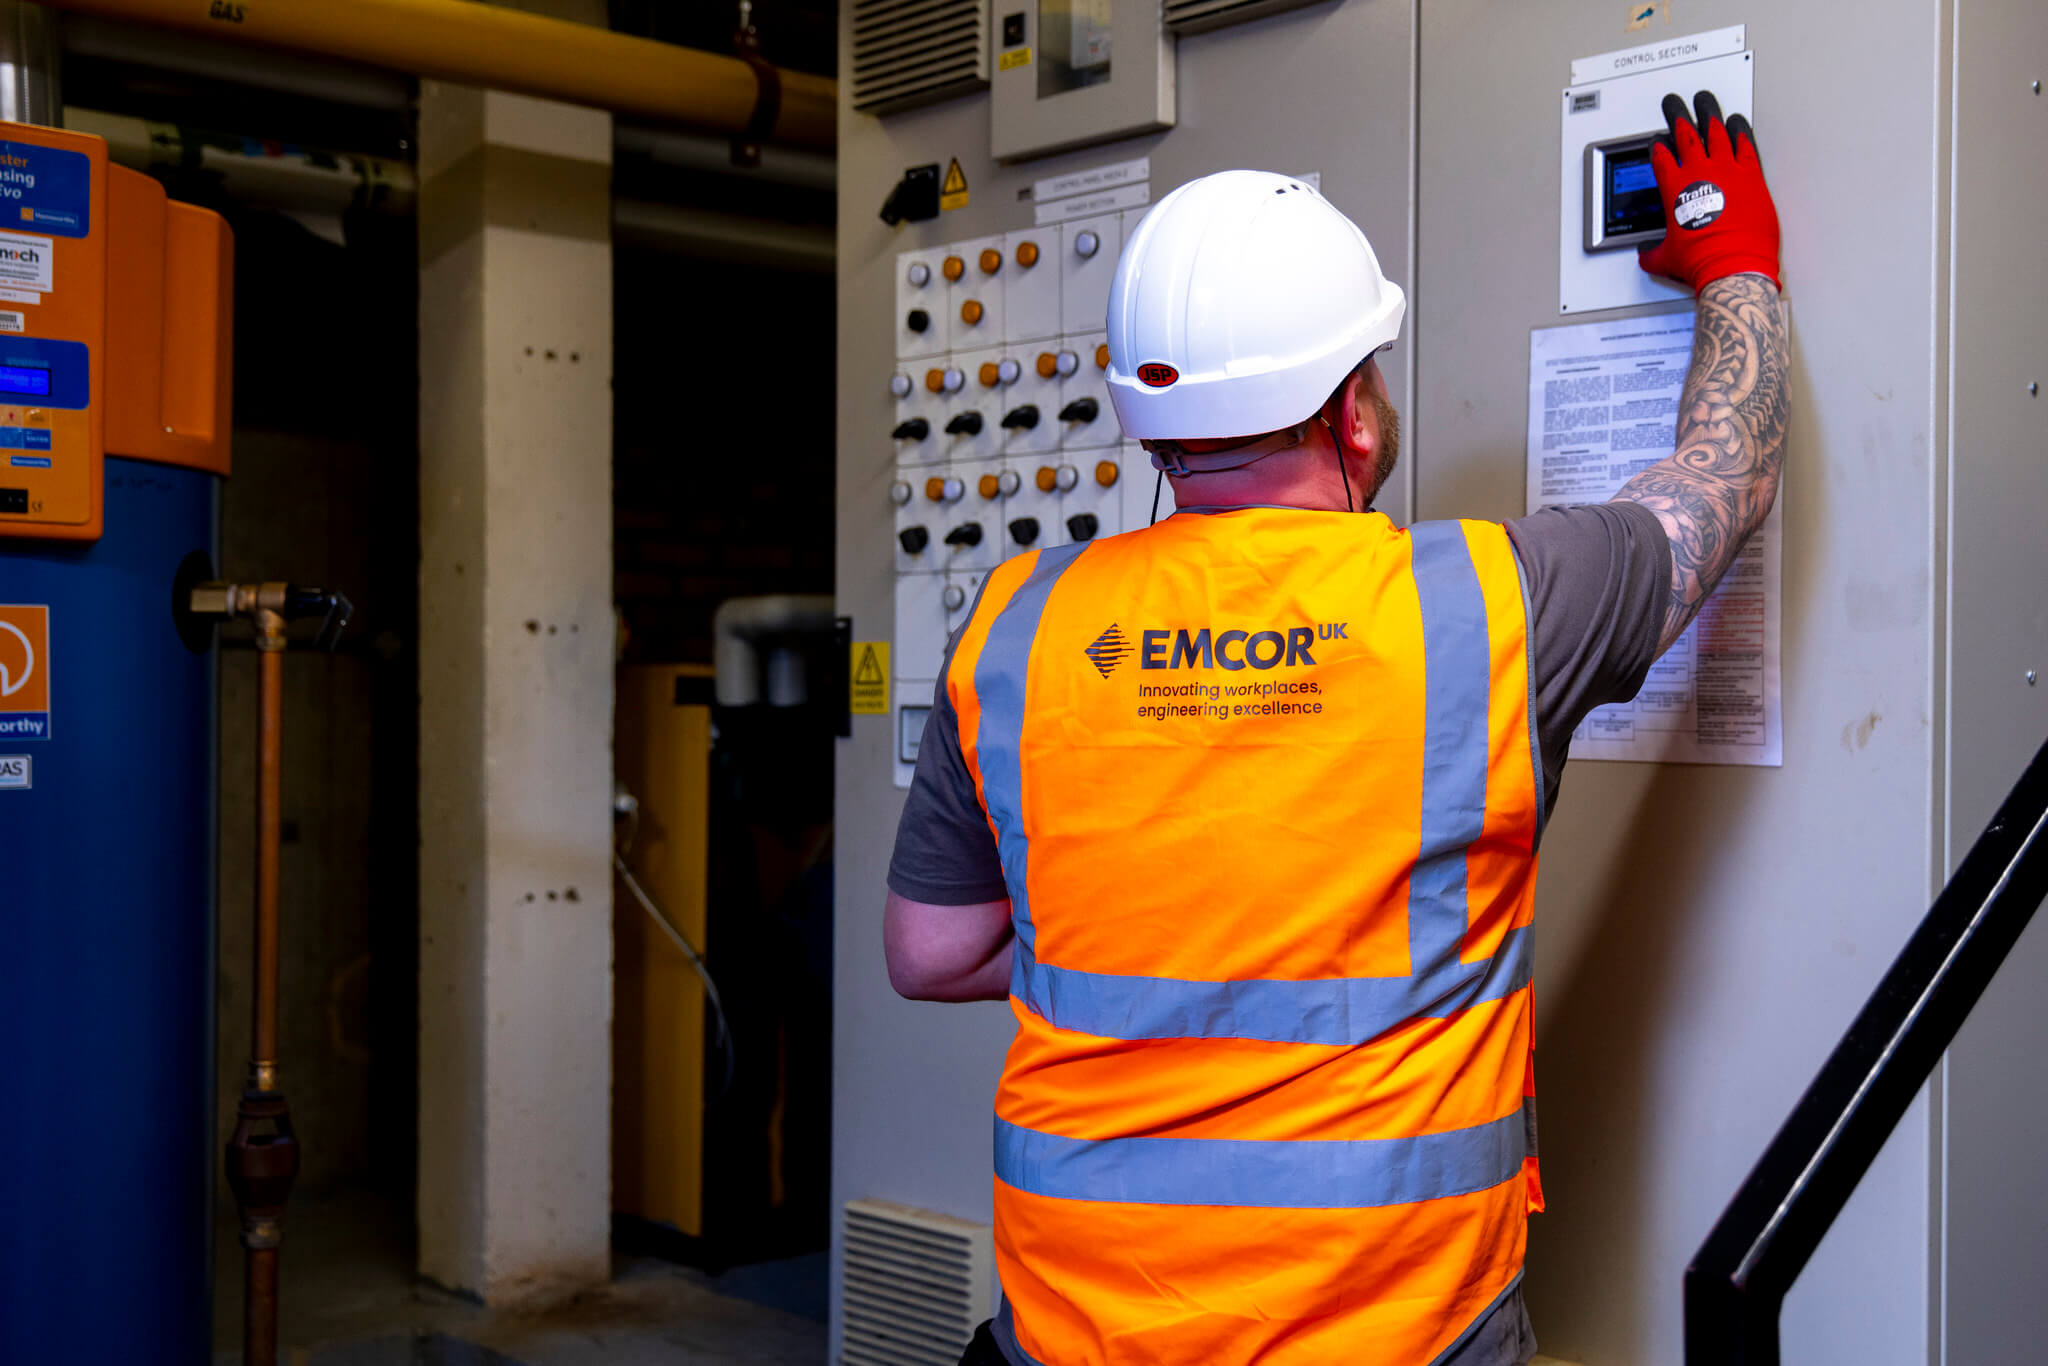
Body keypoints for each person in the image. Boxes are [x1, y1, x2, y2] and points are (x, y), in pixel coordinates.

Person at [883, 91, 1786, 1366]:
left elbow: (927, 952)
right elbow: (1722, 478)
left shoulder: (1016, 628)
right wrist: (1735, 258)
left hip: (1072, 1338)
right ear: (1352, 411)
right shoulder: (1486, 607)